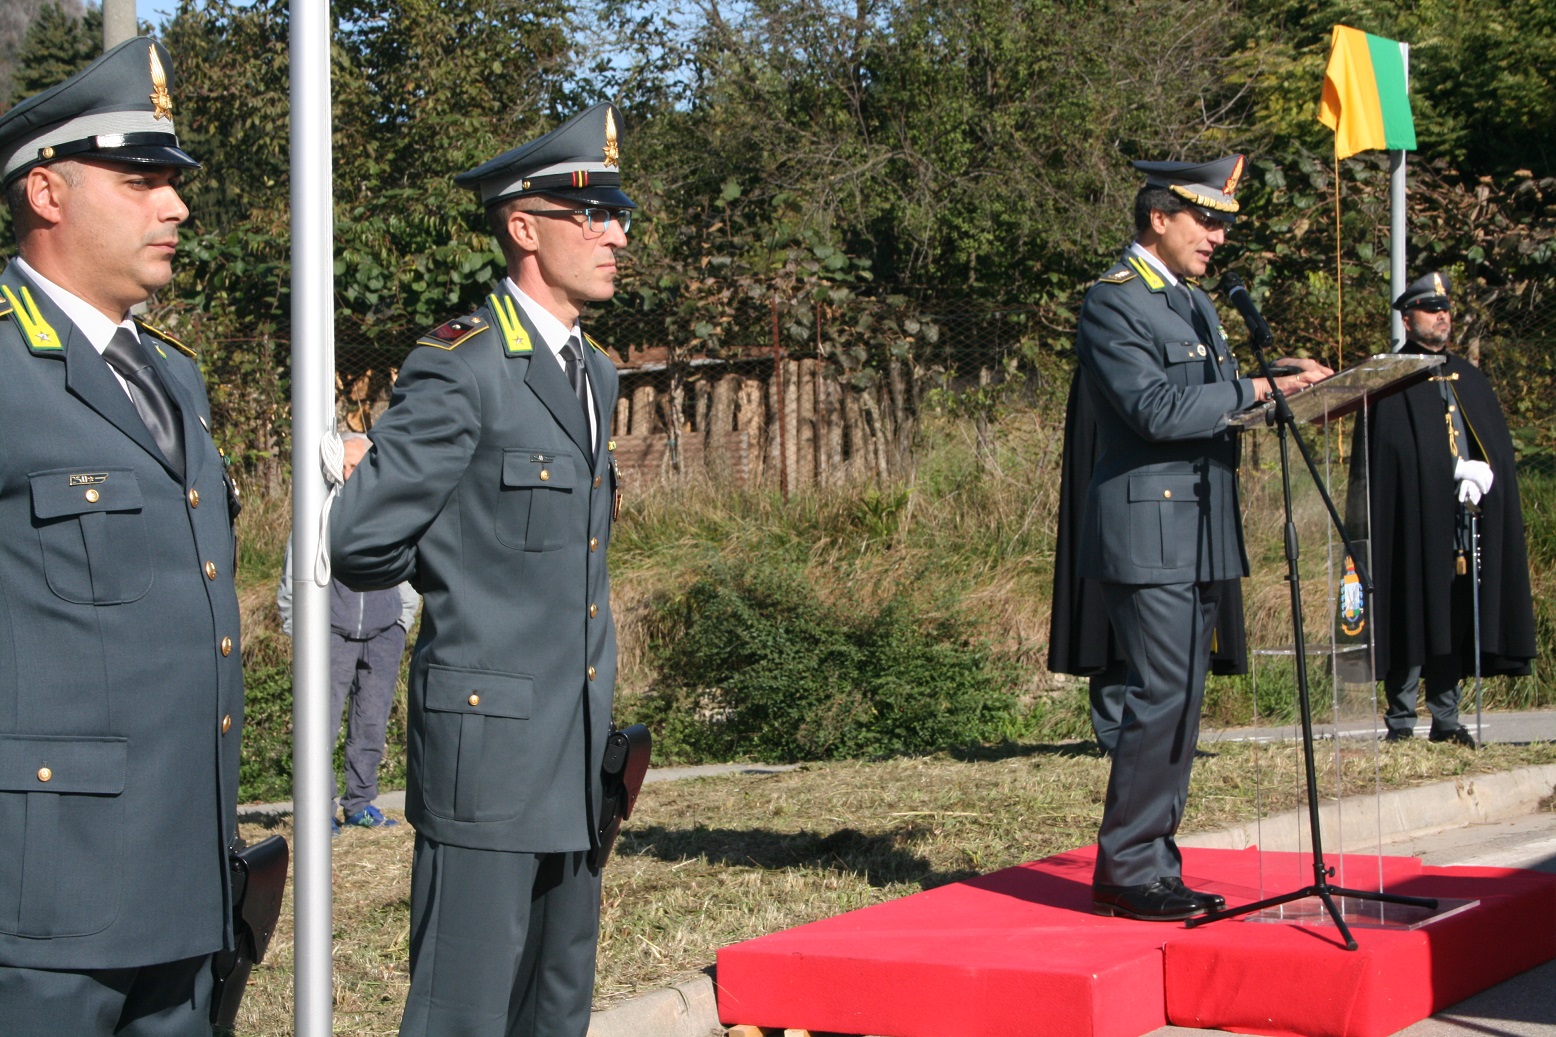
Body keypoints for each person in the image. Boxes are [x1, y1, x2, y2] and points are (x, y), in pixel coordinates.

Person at [331, 103, 630, 1037]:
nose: (616, 232)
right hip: (487, 748)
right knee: (464, 1013)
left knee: (556, 1004)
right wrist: (469, 586)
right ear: (524, 227)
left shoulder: (598, 371)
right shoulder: (462, 365)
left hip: (576, 748)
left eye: (619, 213)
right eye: (591, 213)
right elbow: (364, 537)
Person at [0, 38, 244, 1033]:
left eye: (174, 185)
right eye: (142, 180)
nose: (175, 207)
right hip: (48, 899)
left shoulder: (169, 374)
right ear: (48, 193)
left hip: (180, 879)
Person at [1075, 155, 1331, 922]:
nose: (1217, 236)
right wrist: (1256, 389)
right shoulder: (1114, 302)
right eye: (1206, 220)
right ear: (1160, 217)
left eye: (1221, 222)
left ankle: (1153, 862)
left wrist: (1284, 377)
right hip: (1149, 531)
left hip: (1200, 527)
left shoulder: (1191, 302)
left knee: (1181, 701)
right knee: (1160, 697)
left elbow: (1204, 395)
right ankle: (1127, 868)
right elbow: (1154, 408)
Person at [1356, 272, 1536, 747]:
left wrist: (1483, 475)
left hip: (1463, 520)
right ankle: (1399, 719)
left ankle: (1447, 717)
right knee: (1411, 608)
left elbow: (1489, 444)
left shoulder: (1469, 377)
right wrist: (1446, 471)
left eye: (1446, 309)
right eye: (1430, 308)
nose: (1441, 316)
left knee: (1454, 611)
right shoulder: (1385, 378)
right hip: (1410, 520)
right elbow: (1389, 456)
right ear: (1406, 317)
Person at [1048, 369, 1250, 755]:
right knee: (1119, 599)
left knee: (1183, 608)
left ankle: (1170, 734)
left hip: (1186, 473)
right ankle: (1119, 729)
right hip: (1128, 470)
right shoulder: (1114, 326)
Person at [278, 432, 418, 832]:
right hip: (330, 635)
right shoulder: (319, 511)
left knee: (371, 723)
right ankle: (319, 811)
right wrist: (300, 634)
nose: (353, 472)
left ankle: (361, 804)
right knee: (319, 724)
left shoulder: (390, 511)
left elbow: (406, 568)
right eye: (348, 464)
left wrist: (401, 621)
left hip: (383, 635)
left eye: (361, 464)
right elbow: (295, 575)